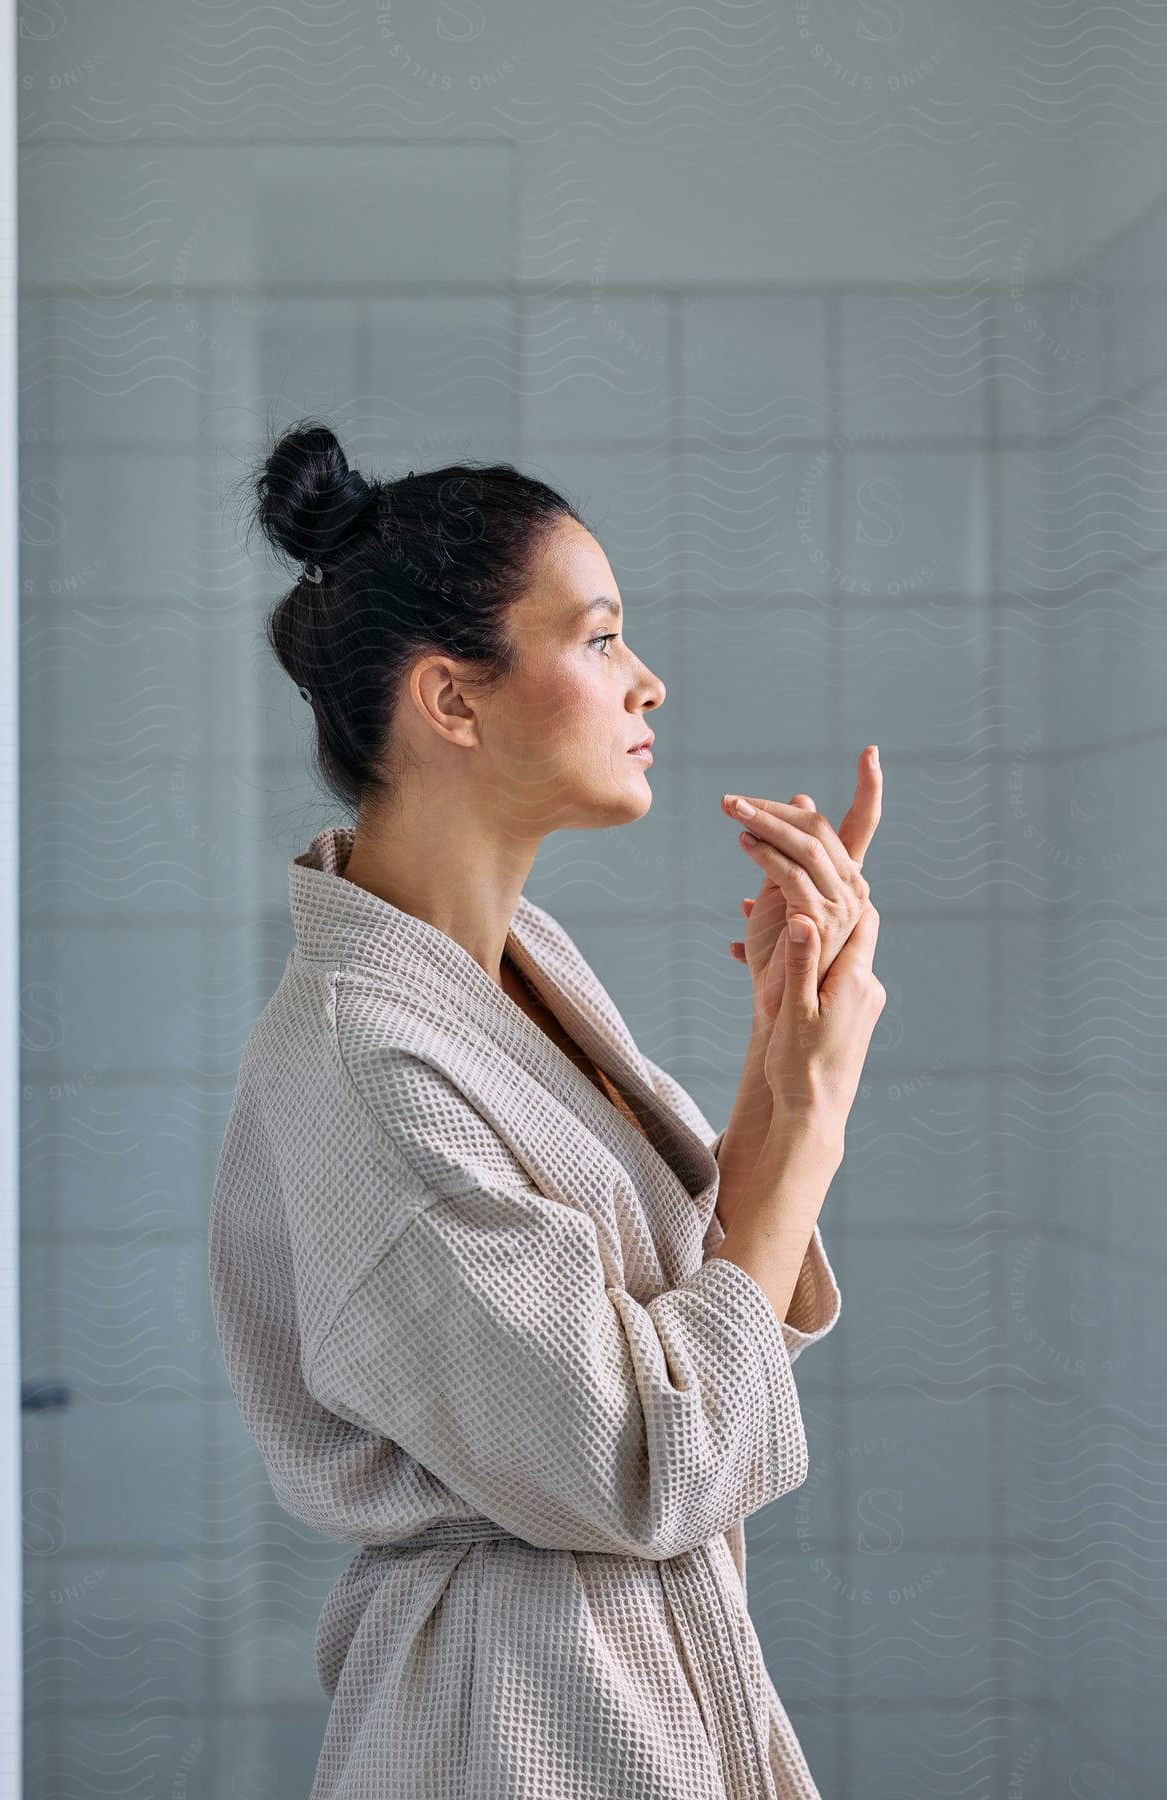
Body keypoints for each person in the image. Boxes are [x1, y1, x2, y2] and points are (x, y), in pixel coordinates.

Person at [208, 420, 887, 1800]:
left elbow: (695, 1329)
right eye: (596, 640)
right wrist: (809, 1109)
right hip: (516, 1717)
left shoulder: (518, 970)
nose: (646, 681)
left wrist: (787, 1039)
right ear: (451, 700)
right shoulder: (367, 1057)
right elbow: (643, 1458)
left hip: (625, 1675)